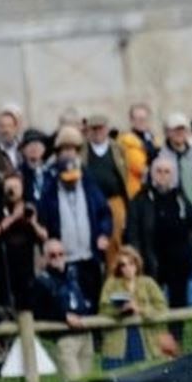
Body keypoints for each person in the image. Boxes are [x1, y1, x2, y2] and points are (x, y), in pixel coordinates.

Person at [37, 126, 113, 310]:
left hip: (89, 256)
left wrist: (104, 233)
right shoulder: (49, 192)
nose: (72, 181)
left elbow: (104, 212)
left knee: (94, 300)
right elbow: (43, 221)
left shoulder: (88, 184)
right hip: (65, 259)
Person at [124, 156, 192, 343]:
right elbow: (132, 231)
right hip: (152, 261)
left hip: (179, 261)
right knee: (152, 303)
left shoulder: (180, 198)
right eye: (159, 171)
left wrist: (189, 248)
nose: (163, 176)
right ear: (152, 174)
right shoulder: (140, 199)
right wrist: (138, 259)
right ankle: (154, 342)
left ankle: (176, 342)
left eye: (167, 172)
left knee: (178, 303)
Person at [32, 239, 95, 381]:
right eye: (52, 255)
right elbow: (39, 312)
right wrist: (63, 316)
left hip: (85, 334)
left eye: (61, 254)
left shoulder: (76, 274)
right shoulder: (41, 282)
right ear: (45, 258)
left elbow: (89, 298)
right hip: (64, 338)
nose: (58, 258)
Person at [0, 172, 46, 313]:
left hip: (26, 269)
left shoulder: (31, 208)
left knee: (26, 308)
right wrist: (11, 219)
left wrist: (33, 223)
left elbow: (44, 236)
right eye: (9, 187)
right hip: (3, 267)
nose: (12, 191)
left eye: (16, 186)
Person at [98, 246, 169, 370]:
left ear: (137, 264)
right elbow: (103, 309)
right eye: (123, 265)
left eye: (131, 263)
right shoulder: (111, 284)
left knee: (144, 375)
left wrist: (140, 309)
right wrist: (120, 310)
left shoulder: (148, 283)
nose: (128, 268)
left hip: (145, 339)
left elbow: (161, 308)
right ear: (119, 268)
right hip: (118, 340)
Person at [82, 113, 129, 271]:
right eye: (93, 129)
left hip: (114, 201)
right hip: (91, 202)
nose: (97, 132)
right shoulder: (83, 150)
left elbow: (125, 175)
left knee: (115, 243)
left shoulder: (117, 148)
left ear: (107, 129)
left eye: (100, 128)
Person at [158, 113, 192, 205]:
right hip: (169, 208)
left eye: (182, 129)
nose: (179, 133)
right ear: (167, 132)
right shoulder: (158, 155)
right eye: (175, 130)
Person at [117, 102, 158, 198]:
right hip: (136, 191)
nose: (142, 121)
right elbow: (140, 168)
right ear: (131, 120)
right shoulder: (126, 141)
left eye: (144, 118)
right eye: (138, 119)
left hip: (151, 188)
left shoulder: (151, 138)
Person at [19, 128, 50, 204]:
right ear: (23, 150)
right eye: (29, 145)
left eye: (37, 144)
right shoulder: (19, 173)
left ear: (44, 149)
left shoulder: (51, 172)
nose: (34, 148)